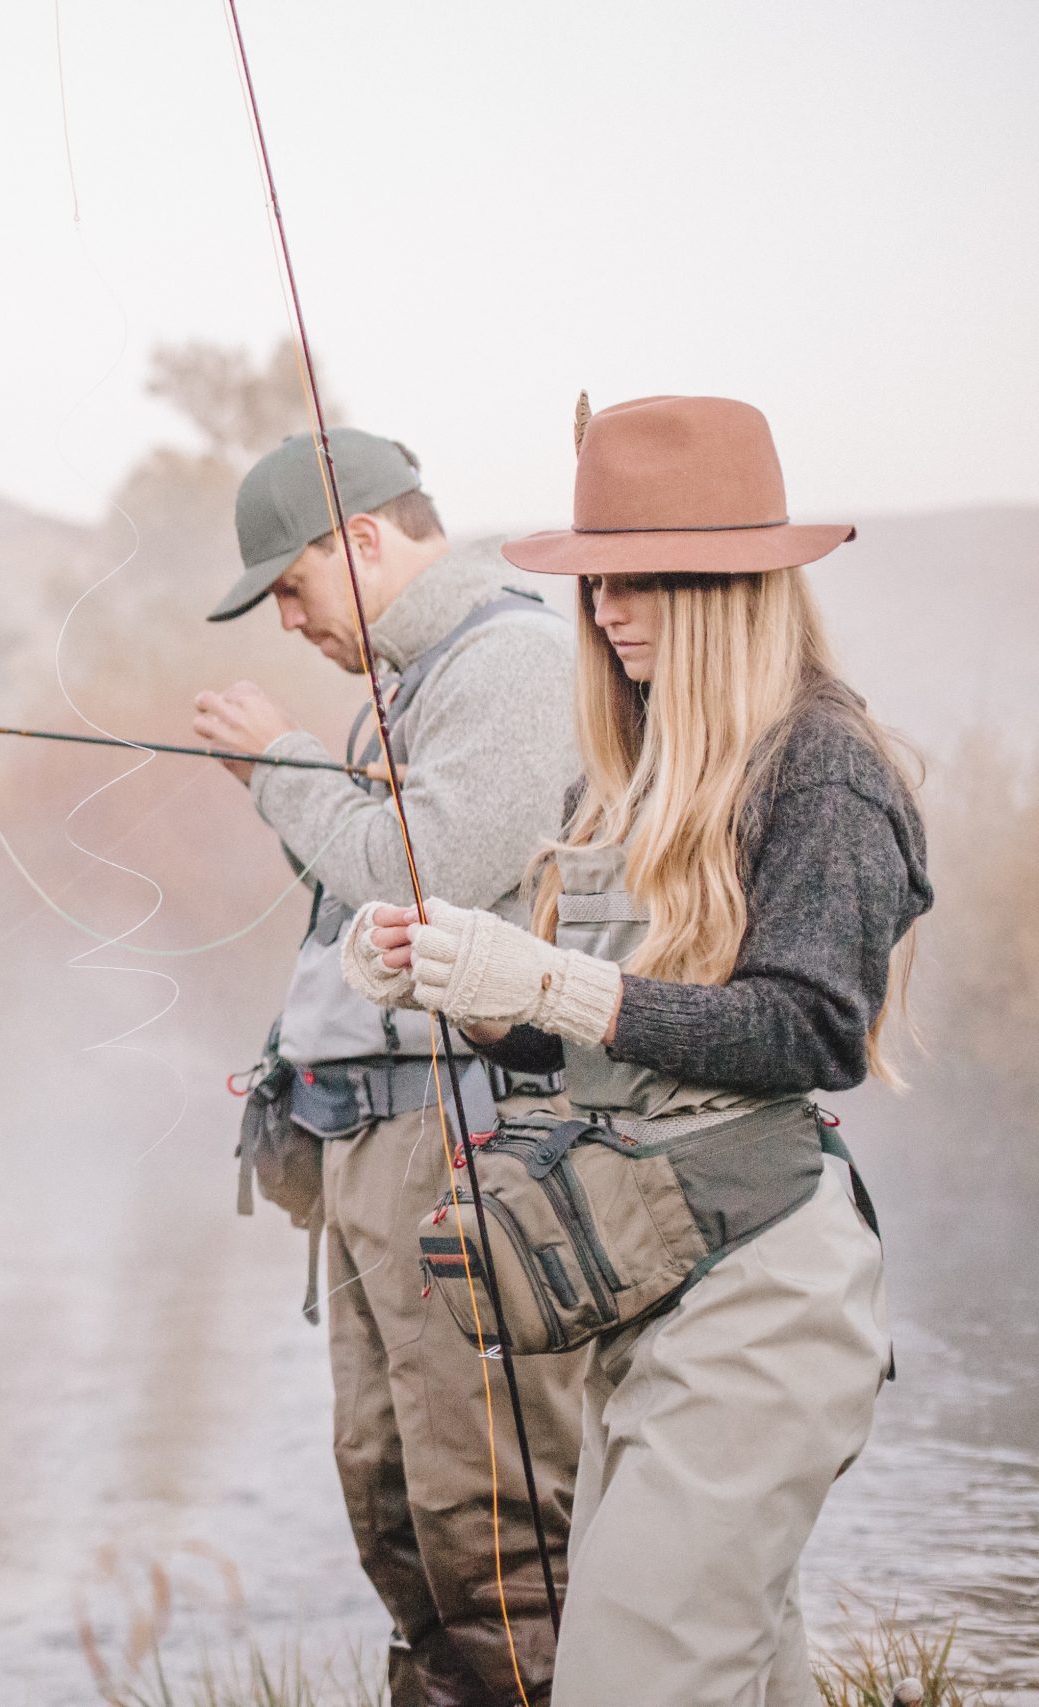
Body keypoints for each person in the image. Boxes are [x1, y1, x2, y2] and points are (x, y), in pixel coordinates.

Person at [348, 394, 931, 1705]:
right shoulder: (635, 764)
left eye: (637, 580)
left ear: (729, 586)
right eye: (595, 580)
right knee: (737, 1673)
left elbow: (808, 1027)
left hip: (763, 1301)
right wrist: (466, 990)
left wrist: (555, 978)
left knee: (630, 1678)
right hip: (648, 1288)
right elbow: (601, 1048)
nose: (604, 609)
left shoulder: (823, 765)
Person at [192, 428, 584, 1706]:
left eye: (291, 585)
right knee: (391, 1499)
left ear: (362, 540)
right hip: (373, 1146)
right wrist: (315, 786)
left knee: (491, 1524)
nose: (287, 620)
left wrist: (282, 768)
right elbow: (357, 894)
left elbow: (423, 879)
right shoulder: (404, 688)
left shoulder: (514, 663)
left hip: (464, 1141)